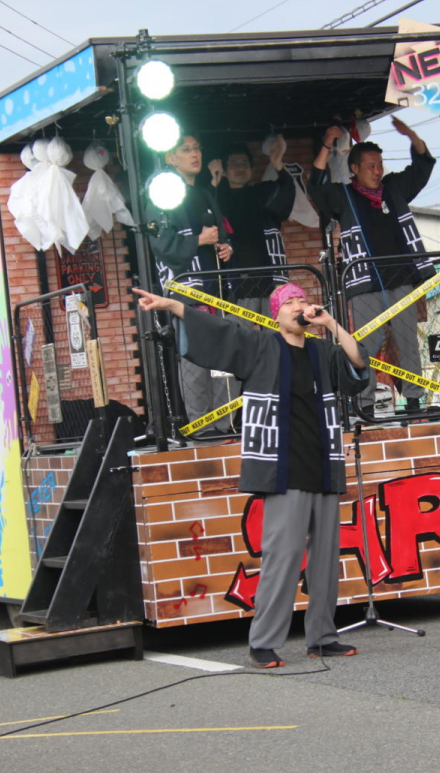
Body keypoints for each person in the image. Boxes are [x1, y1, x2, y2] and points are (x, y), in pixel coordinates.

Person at [133, 282, 369, 668]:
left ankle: (323, 637)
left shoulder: (323, 351)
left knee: (326, 559)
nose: (298, 306)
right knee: (284, 555)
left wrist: (332, 324)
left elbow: (358, 365)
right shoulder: (260, 347)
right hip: (281, 469)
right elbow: (219, 335)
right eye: (289, 302)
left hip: (324, 465)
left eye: (302, 301)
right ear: (276, 313)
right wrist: (174, 307)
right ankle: (263, 642)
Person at [307, 116, 435, 416]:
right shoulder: (343, 195)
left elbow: (422, 167)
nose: (378, 171)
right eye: (371, 166)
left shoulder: (394, 188)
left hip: (400, 276)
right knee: (365, 344)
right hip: (364, 281)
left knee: (407, 342)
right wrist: (327, 145)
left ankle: (415, 400)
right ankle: (362, 404)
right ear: (354, 169)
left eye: (380, 165)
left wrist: (411, 135)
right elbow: (315, 185)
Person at [147, 131, 235, 435]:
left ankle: (226, 424)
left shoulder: (205, 192)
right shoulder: (161, 194)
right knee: (195, 359)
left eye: (197, 148)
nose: (194, 155)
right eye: (185, 150)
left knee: (224, 359)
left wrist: (225, 247)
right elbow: (161, 243)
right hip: (186, 291)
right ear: (170, 158)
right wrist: (198, 240)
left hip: (215, 288)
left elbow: (220, 235)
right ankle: (201, 425)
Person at [208, 137, 296, 317]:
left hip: (269, 281)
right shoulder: (218, 197)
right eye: (233, 164)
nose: (240, 168)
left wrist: (277, 163)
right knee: (240, 339)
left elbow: (287, 190)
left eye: (244, 163)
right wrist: (213, 181)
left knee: (274, 337)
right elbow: (202, 209)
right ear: (224, 169)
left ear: (252, 168)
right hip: (235, 285)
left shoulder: (262, 193)